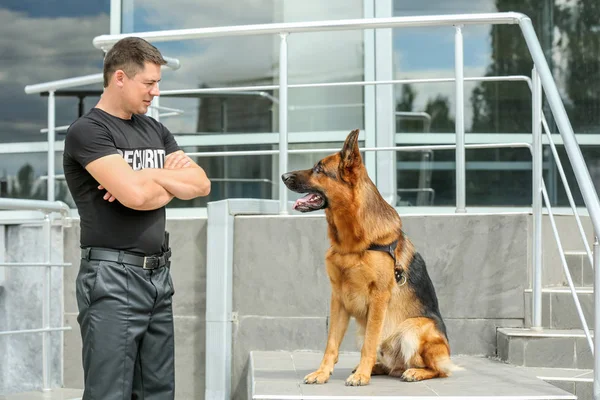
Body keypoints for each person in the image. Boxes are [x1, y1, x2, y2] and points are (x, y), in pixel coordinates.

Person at [63, 36, 210, 399]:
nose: (156, 92)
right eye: (149, 83)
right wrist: (162, 177)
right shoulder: (89, 132)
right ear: (120, 78)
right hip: (112, 279)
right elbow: (135, 197)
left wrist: (144, 176)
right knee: (109, 392)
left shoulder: (154, 129)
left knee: (159, 390)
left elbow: (202, 183)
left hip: (158, 276)